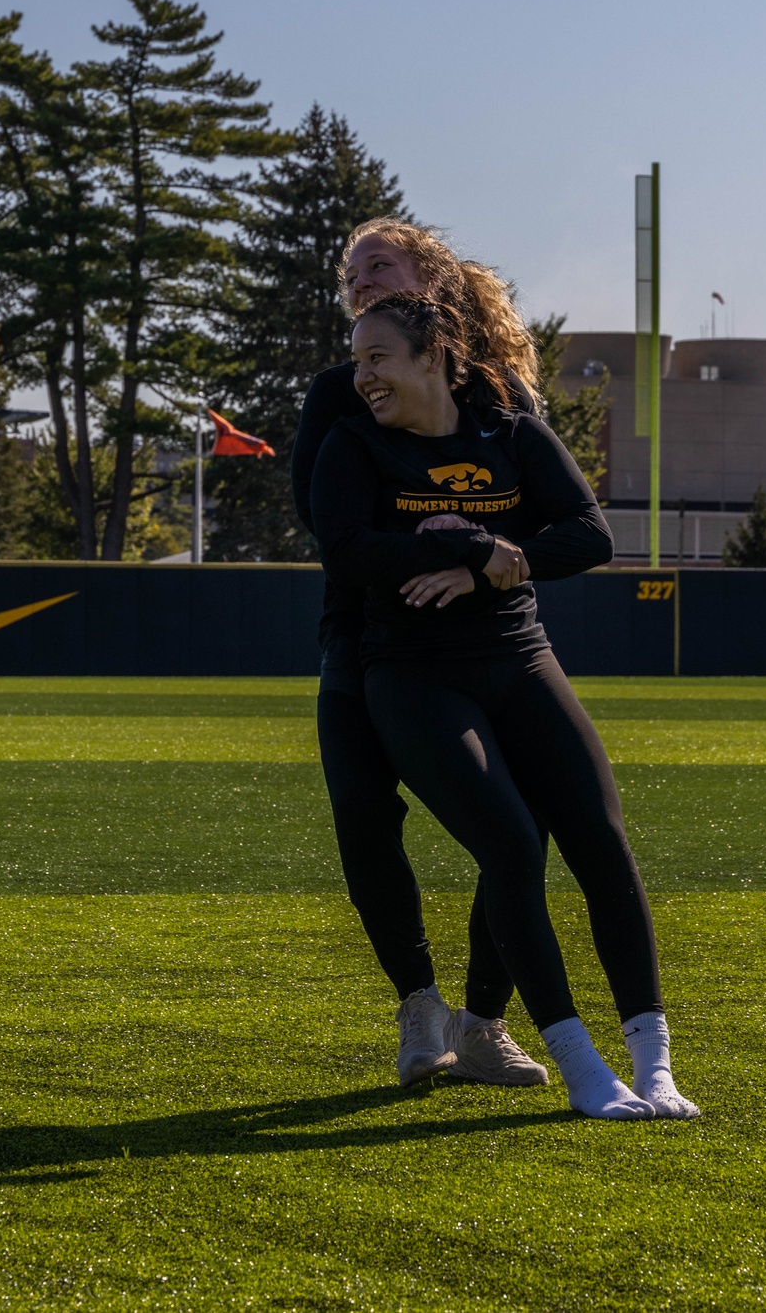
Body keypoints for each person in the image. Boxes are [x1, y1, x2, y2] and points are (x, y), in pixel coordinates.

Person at [310, 292, 700, 1121]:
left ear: (433, 356)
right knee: (515, 849)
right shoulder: (352, 444)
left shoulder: (511, 432)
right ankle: (585, 1069)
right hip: (411, 674)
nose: (362, 375)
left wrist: (495, 556)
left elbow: (590, 533)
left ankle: (656, 1063)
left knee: (600, 840)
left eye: (378, 357)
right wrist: (458, 546)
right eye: (358, 358)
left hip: (520, 659)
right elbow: (346, 553)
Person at [292, 219, 550, 1089]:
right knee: (366, 820)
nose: (360, 278)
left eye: (378, 263)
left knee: (517, 831)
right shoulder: (338, 392)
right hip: (362, 639)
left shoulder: (500, 389)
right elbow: (332, 529)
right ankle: (418, 1010)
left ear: (430, 278)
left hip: (486, 641)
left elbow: (541, 514)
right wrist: (448, 545)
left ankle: (484, 1024)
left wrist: (474, 562)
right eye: (350, 270)